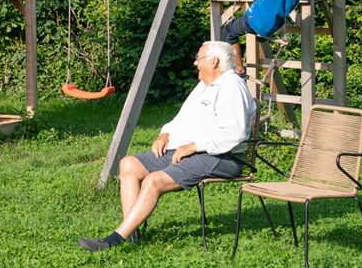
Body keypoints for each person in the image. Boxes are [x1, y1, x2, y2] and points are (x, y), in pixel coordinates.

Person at [77, 40, 257, 252]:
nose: (195, 63)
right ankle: (132, 233)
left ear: (214, 61)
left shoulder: (232, 87)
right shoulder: (204, 85)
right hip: (190, 151)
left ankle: (115, 240)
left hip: (222, 157)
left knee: (154, 181)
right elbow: (181, 119)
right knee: (128, 165)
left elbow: (233, 134)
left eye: (199, 58)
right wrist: (165, 133)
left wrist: (194, 146)